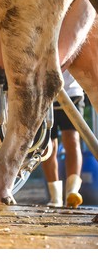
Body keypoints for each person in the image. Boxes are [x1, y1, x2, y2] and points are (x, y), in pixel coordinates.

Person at [42, 70, 84, 208]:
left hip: (71, 91)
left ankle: (72, 192)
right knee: (47, 145)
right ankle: (55, 197)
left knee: (71, 139)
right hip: (44, 93)